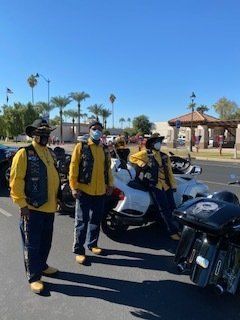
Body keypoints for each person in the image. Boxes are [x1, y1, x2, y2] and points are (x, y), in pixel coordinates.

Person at [10, 118, 61, 294]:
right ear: (33, 134)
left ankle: (42, 265)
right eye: (41, 133)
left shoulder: (49, 153)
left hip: (49, 207)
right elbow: (16, 181)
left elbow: (54, 178)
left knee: (46, 241)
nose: (45, 136)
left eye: (47, 133)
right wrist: (22, 204)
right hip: (32, 208)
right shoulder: (24, 154)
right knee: (32, 244)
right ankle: (34, 276)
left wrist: (58, 198)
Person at [69, 120, 114, 264]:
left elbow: (108, 169)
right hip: (84, 191)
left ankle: (92, 244)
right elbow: (74, 167)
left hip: (100, 192)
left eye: (99, 129)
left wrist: (110, 185)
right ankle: (79, 250)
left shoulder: (104, 149)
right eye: (94, 128)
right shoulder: (81, 146)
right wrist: (74, 187)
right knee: (82, 222)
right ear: (89, 131)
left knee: (96, 220)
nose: (97, 131)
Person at [129, 135, 180, 240]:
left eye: (160, 142)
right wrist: (142, 163)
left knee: (172, 206)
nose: (159, 144)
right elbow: (132, 158)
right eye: (157, 142)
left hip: (166, 185)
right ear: (152, 144)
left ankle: (175, 227)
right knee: (163, 208)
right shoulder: (146, 154)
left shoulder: (164, 156)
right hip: (155, 184)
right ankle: (172, 232)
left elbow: (169, 172)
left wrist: (173, 185)